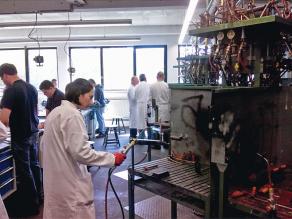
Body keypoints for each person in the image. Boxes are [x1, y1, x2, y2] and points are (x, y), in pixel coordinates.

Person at [41, 78, 126, 219]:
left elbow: (44, 147)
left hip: (55, 183)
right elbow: (82, 153)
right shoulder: (73, 115)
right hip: (70, 184)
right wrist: (112, 158)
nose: (92, 101)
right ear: (79, 95)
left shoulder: (55, 112)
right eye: (90, 96)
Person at [0, 63, 42, 217]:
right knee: (34, 166)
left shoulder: (11, 90)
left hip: (21, 136)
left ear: (4, 75)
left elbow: (3, 120)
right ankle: (39, 198)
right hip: (33, 132)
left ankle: (32, 206)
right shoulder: (31, 87)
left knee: (25, 172)